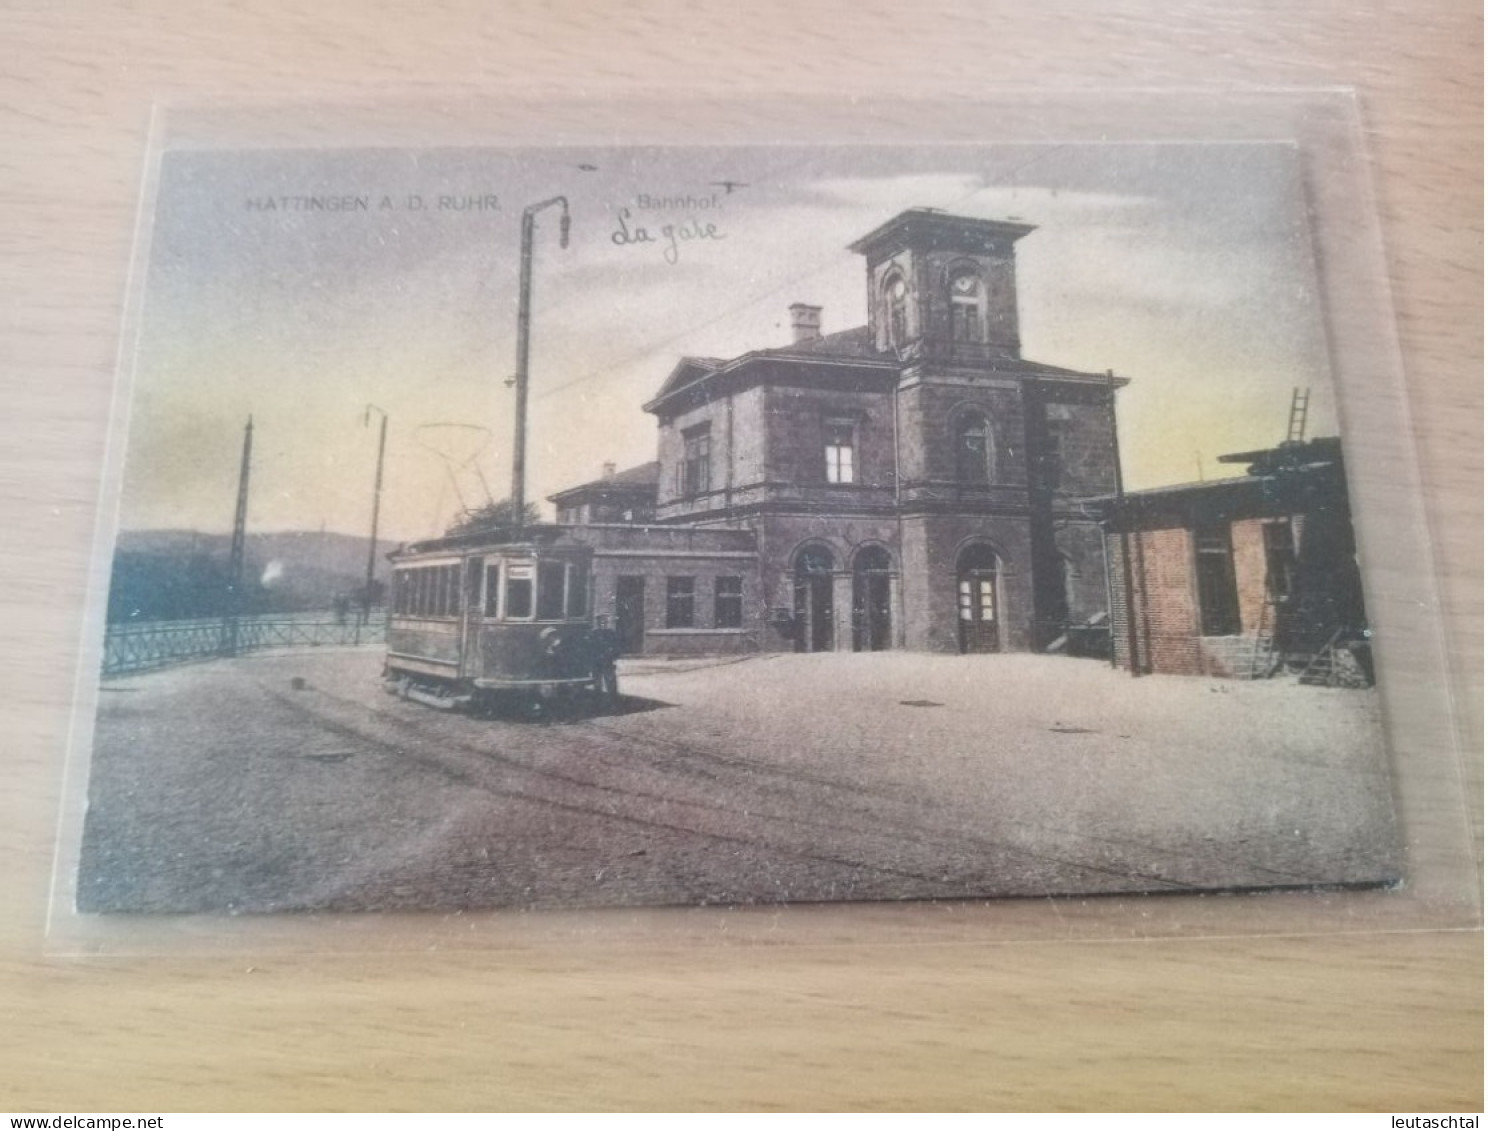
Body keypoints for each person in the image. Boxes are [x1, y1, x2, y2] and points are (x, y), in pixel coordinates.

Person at [589, 615, 622, 697]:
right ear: (598, 624)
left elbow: (616, 646)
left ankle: (613, 695)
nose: (602, 624)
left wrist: (614, 656)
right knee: (597, 680)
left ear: (607, 623)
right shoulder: (594, 633)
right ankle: (598, 695)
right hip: (596, 660)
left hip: (607, 659)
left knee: (610, 679)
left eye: (604, 622)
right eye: (600, 623)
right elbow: (590, 646)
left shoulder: (611, 633)